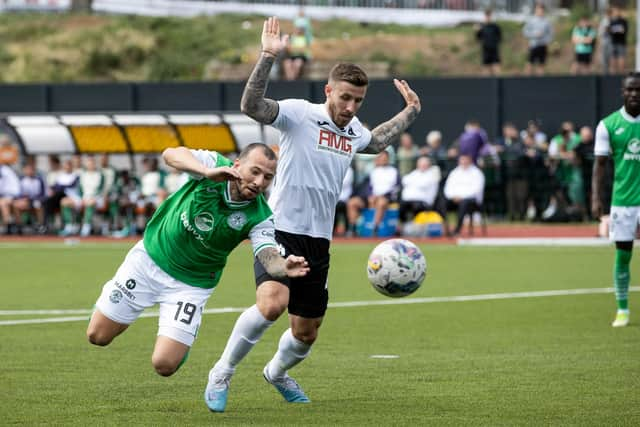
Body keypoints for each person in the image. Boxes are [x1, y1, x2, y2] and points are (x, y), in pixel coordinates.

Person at [204, 16, 420, 412]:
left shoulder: (353, 131)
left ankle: (276, 373)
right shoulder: (299, 113)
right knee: (272, 304)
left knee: (306, 334)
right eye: (344, 98)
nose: (351, 108)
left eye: (358, 101)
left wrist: (411, 111)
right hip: (279, 228)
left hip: (319, 240)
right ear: (329, 91)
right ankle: (222, 371)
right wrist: (268, 56)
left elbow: (376, 143)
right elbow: (251, 105)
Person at [86, 143, 310, 378]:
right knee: (98, 336)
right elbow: (170, 154)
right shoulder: (213, 164)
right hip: (149, 260)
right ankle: (119, 311)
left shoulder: (261, 216)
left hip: (191, 285)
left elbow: (267, 254)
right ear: (237, 165)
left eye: (267, 177)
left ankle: (177, 336)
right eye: (255, 172)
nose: (259, 182)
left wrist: (283, 267)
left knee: (164, 365)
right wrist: (205, 172)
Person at [592, 72, 640, 328]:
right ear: (622, 92)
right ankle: (622, 309)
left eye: (638, 90)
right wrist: (596, 198)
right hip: (623, 201)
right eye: (629, 89)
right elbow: (599, 166)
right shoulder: (608, 125)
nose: (634, 94)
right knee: (623, 256)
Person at [443, 154, 485, 236]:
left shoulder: (477, 173)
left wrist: (462, 197)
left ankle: (457, 230)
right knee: (442, 203)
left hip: (472, 201)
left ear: (470, 161)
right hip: (454, 199)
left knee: (464, 203)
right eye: (462, 160)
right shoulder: (454, 172)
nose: (464, 162)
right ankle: (446, 229)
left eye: (466, 160)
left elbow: (476, 190)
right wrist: (453, 196)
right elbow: (448, 188)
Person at [523, 3, 553, 76]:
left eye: (541, 10)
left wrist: (546, 41)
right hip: (534, 45)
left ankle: (540, 83)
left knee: (541, 65)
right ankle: (525, 82)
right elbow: (525, 32)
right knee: (529, 63)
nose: (540, 11)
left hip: (543, 46)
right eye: (538, 10)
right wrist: (534, 34)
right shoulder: (531, 20)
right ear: (536, 10)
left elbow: (551, 34)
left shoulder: (547, 21)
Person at [475, 8, 502, 76]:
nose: (488, 17)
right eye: (487, 16)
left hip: (494, 49)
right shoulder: (482, 27)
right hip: (486, 49)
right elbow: (478, 38)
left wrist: (495, 43)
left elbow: (499, 37)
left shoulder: (495, 27)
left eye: (489, 16)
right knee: (486, 67)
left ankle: (498, 83)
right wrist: (477, 31)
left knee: (496, 66)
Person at [608, 6, 628, 74]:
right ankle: (612, 77)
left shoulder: (623, 21)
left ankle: (621, 75)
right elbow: (609, 31)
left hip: (621, 43)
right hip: (613, 43)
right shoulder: (611, 21)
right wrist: (616, 30)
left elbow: (623, 30)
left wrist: (615, 30)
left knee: (621, 60)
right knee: (612, 60)